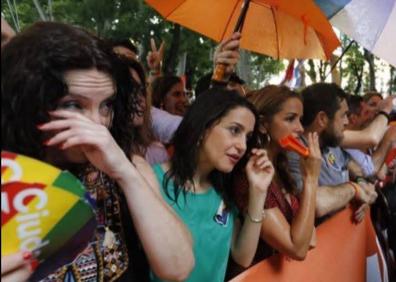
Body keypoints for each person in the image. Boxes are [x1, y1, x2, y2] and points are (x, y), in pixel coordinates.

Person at [1, 22, 194, 282]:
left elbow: (178, 268)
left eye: (106, 106)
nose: (98, 125)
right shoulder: (9, 180)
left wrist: (125, 173)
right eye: (73, 105)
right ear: (29, 103)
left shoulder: (129, 166)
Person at [151, 88, 274, 282]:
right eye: (234, 130)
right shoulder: (151, 180)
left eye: (247, 137)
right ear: (202, 127)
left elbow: (243, 256)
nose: (242, 145)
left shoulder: (222, 189)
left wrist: (259, 191)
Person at [227, 85, 321, 278]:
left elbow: (310, 239)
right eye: (290, 119)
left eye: (300, 120)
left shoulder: (281, 167)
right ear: (263, 125)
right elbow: (297, 248)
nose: (300, 128)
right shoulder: (249, 174)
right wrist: (311, 179)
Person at [287, 83, 377, 223]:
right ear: (322, 119)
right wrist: (354, 190)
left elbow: (354, 168)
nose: (347, 122)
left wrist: (362, 187)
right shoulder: (294, 153)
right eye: (343, 115)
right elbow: (315, 203)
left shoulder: (331, 143)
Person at [117, 55, 169, 165]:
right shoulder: (91, 155)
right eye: (130, 90)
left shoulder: (157, 154)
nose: (140, 99)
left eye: (141, 90)